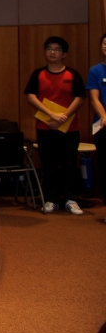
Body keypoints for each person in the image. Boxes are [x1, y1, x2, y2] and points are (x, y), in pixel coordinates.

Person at [25, 35, 85, 215]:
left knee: (69, 164)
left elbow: (80, 98)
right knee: (49, 164)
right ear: (45, 52)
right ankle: (51, 199)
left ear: (64, 54)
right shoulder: (38, 74)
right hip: (45, 126)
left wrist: (63, 117)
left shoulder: (72, 74)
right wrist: (52, 115)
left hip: (69, 127)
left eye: (57, 49)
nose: (52, 52)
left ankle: (71, 199)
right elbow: (30, 96)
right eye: (49, 48)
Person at [87, 33, 106, 224]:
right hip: (102, 125)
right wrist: (105, 116)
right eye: (105, 43)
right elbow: (94, 99)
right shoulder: (95, 71)